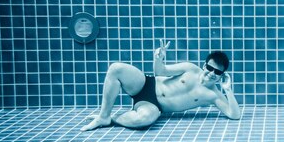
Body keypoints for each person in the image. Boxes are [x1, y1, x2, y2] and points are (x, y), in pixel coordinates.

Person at [81, 40, 240, 131]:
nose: (212, 73)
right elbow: (160, 71)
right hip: (146, 84)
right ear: (204, 65)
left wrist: (228, 90)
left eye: (217, 72)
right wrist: (159, 58)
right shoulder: (190, 68)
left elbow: (234, 115)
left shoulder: (213, 95)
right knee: (116, 68)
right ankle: (103, 115)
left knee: (144, 119)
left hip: (153, 105)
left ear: (221, 76)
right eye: (210, 68)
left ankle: (112, 119)